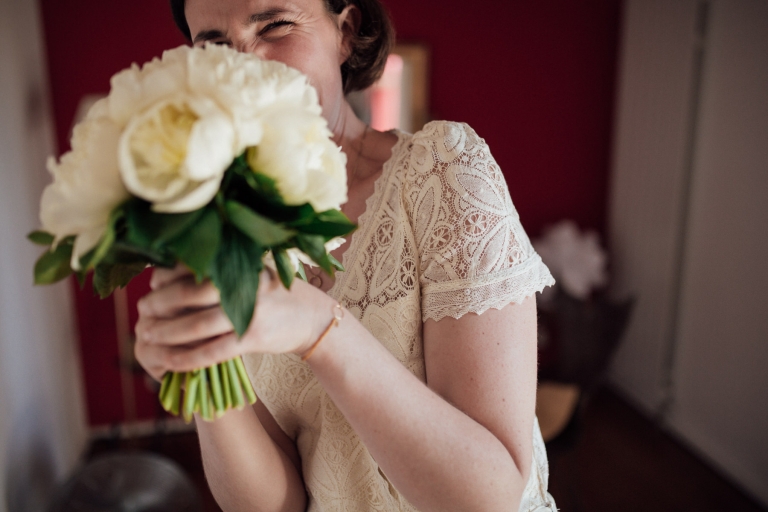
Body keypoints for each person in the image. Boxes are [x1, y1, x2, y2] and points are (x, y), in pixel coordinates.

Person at [135, 0, 558, 510]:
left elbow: (487, 499)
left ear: (345, 30)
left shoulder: (444, 173)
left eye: (274, 25)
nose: (245, 65)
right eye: (215, 45)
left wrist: (321, 330)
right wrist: (204, 367)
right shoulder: (224, 232)